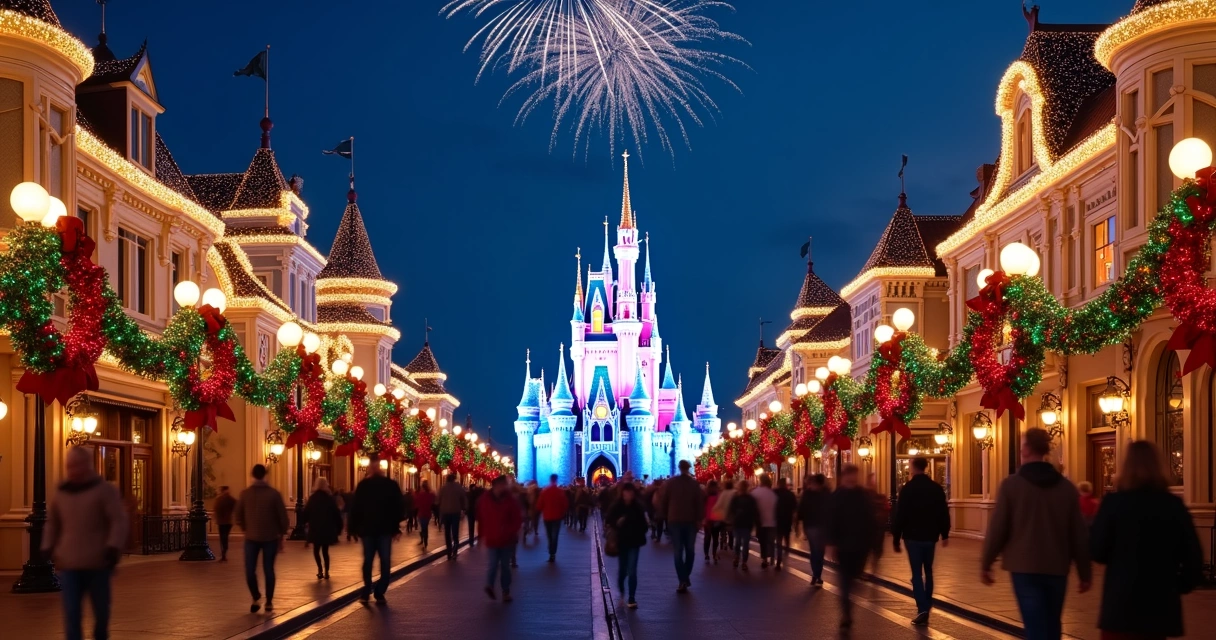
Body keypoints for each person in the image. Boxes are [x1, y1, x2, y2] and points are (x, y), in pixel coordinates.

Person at [982, 428, 1092, 640]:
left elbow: (998, 528)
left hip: (1024, 566)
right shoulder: (1067, 488)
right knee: (1052, 623)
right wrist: (1085, 572)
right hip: (1057, 565)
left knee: (1034, 624)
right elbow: (1078, 532)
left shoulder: (1011, 486)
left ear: (1025, 450)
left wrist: (986, 563)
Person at [1091, 441, 1203, 639]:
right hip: (1159, 600)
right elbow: (1193, 556)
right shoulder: (1172, 505)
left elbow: (1097, 549)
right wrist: (1179, 585)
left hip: (1121, 600)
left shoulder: (1114, 503)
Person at [44, 446, 127, 640]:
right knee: (71, 614)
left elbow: (118, 520)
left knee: (101, 613)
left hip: (98, 562)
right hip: (69, 563)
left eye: (76, 465)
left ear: (87, 465)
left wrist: (113, 546)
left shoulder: (104, 490)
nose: (72, 470)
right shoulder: (61, 493)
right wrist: (47, 545)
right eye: (69, 466)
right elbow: (53, 523)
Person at [891, 457, 950, 625]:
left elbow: (900, 514)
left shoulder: (907, 489)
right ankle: (927, 603)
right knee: (929, 570)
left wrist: (896, 538)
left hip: (912, 536)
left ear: (913, 467)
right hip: (930, 536)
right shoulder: (936, 488)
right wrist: (944, 534)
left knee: (916, 573)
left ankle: (922, 607)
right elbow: (943, 512)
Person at [234, 464, 290, 613]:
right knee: (268, 569)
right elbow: (283, 518)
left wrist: (245, 527)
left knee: (249, 569)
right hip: (270, 537)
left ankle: (255, 596)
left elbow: (237, 515)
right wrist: (282, 534)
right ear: (265, 475)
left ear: (252, 475)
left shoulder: (245, 494)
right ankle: (269, 602)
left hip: (251, 538)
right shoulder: (274, 494)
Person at [349, 460, 406, 605]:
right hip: (376, 530)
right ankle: (373, 590)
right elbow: (356, 508)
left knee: (376, 561)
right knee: (377, 561)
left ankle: (374, 591)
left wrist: (395, 528)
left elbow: (355, 508)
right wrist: (353, 528)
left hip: (377, 530)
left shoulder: (374, 485)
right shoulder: (386, 485)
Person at [828, 464, 876, 631]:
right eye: (850, 475)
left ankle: (848, 604)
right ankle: (846, 614)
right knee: (845, 582)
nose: (852, 478)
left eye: (854, 475)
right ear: (844, 476)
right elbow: (831, 519)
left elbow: (870, 519)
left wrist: (872, 544)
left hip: (860, 545)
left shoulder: (862, 495)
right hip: (843, 545)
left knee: (854, 578)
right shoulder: (838, 495)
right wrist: (832, 543)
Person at [658, 460, 705, 592]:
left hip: (675, 521)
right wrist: (699, 519)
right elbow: (699, 503)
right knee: (689, 551)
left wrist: (663, 517)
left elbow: (664, 501)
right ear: (688, 468)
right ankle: (684, 578)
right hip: (689, 522)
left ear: (679, 468)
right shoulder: (694, 484)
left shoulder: (671, 483)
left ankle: (682, 579)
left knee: (678, 552)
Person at [479, 475, 523, 602]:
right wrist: (481, 536)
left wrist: (511, 531)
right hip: (492, 538)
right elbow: (482, 518)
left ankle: (505, 591)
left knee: (504, 566)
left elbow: (517, 518)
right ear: (495, 485)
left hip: (506, 539)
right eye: (502, 485)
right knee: (493, 564)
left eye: (505, 485)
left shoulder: (510, 500)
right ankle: (490, 586)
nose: (503, 487)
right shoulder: (485, 499)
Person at [605, 482, 648, 609]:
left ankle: (632, 598)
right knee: (623, 570)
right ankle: (622, 590)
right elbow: (609, 520)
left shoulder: (638, 507)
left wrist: (639, 529)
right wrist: (616, 522)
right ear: (622, 493)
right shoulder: (617, 507)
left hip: (634, 542)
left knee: (632, 570)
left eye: (630, 492)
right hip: (621, 542)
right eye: (626, 492)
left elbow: (645, 525)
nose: (628, 494)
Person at [304, 477, 343, 579]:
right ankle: (327, 571)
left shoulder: (313, 498)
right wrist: (339, 528)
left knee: (316, 550)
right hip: (327, 528)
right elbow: (336, 514)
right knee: (325, 551)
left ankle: (320, 569)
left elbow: (306, 512)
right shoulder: (329, 498)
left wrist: (305, 523)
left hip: (315, 528)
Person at [798, 474, 829, 586]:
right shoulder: (825, 493)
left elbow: (801, 509)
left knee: (815, 551)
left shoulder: (808, 494)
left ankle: (816, 574)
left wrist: (800, 522)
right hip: (818, 526)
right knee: (819, 552)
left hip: (812, 525)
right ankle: (817, 574)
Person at [536, 474, 570, 562]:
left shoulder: (544, 491)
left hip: (547, 517)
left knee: (549, 535)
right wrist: (562, 512)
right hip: (557, 517)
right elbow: (565, 504)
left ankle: (550, 549)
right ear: (556, 480)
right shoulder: (560, 491)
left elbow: (539, 505)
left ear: (550, 480)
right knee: (555, 535)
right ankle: (552, 553)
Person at [728, 480, 759, 570]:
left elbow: (731, 511)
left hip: (741, 524)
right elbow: (754, 512)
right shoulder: (747, 499)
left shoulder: (739, 498)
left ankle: (738, 558)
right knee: (743, 544)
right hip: (744, 524)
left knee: (739, 543)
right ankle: (742, 561)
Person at [751, 474, 778, 569]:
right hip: (772, 522)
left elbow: (752, 508)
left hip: (761, 522)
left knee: (763, 542)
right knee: (771, 541)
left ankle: (764, 559)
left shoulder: (755, 492)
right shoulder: (773, 493)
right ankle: (772, 558)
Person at [438, 474, 468, 560]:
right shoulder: (458, 487)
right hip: (455, 512)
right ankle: (455, 549)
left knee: (447, 532)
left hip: (445, 512)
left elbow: (437, 500)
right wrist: (464, 508)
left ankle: (449, 551)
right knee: (455, 532)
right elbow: (463, 498)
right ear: (454, 479)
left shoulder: (443, 488)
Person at [774, 477, 798, 571]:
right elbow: (795, 509)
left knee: (779, 541)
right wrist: (795, 523)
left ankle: (779, 560)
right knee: (787, 539)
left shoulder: (775, 493)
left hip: (777, 520)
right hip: (787, 520)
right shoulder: (790, 494)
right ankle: (785, 554)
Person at [212, 485, 236, 562]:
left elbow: (216, 509)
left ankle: (224, 552)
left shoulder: (219, 499)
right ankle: (224, 551)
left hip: (221, 522)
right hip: (228, 521)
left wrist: (215, 517)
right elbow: (236, 508)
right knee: (225, 537)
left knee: (223, 537)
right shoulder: (231, 499)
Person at [713, 479, 736, 553]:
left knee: (723, 531)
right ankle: (731, 544)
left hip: (723, 515)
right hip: (732, 515)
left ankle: (724, 543)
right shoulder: (735, 493)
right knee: (731, 531)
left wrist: (714, 510)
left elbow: (718, 504)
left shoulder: (723, 493)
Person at [702, 480, 722, 563]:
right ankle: (714, 554)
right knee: (715, 538)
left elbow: (703, 507)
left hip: (707, 519)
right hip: (715, 519)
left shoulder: (705, 496)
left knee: (707, 537)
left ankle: (706, 554)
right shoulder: (718, 496)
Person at [413, 481, 435, 547]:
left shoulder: (419, 495)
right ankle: (425, 541)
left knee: (422, 527)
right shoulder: (430, 495)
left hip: (421, 513)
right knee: (425, 527)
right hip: (428, 514)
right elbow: (433, 501)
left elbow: (416, 504)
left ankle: (423, 539)